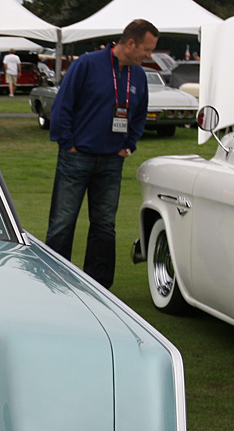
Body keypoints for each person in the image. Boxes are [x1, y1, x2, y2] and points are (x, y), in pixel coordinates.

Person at [44, 19, 158, 289]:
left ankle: (98, 286)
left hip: (111, 160)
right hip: (77, 156)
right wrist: (68, 143)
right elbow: (63, 106)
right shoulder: (87, 64)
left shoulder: (138, 76)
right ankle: (52, 282)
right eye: (147, 49)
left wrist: (128, 145)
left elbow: (139, 115)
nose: (149, 55)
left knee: (105, 225)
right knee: (62, 222)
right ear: (130, 43)